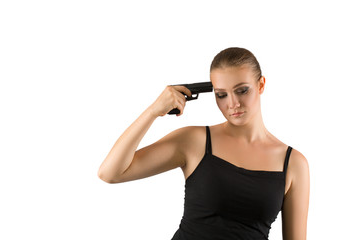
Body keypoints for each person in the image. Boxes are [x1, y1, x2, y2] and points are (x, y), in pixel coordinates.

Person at [98, 47, 310, 240]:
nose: (233, 103)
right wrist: (153, 111)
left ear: (261, 85)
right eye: (221, 95)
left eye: (242, 90)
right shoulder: (194, 142)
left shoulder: (293, 163)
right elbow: (110, 173)